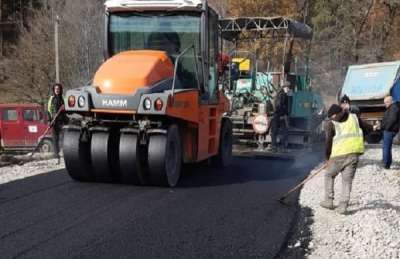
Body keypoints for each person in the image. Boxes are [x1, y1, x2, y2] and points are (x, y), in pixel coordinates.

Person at [320, 104, 372, 214]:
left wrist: (327, 158)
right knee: (347, 181)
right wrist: (373, 128)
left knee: (329, 175)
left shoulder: (331, 123)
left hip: (338, 155)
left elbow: (328, 142)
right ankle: (343, 206)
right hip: (354, 154)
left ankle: (329, 201)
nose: (331, 118)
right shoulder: (354, 118)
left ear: (334, 114)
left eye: (331, 116)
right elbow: (368, 129)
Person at [48, 83, 67, 162]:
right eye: (56, 89)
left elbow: (68, 108)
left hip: (63, 121)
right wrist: (50, 121)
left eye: (58, 89)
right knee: (55, 139)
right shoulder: (51, 98)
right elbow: (49, 110)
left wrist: (64, 108)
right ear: (54, 90)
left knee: (64, 138)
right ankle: (56, 156)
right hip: (54, 121)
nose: (57, 90)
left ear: (60, 89)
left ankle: (65, 154)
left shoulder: (63, 98)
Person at [379, 96, 400, 169]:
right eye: (385, 103)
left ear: (391, 101)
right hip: (389, 130)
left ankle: (386, 163)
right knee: (387, 147)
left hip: (390, 130)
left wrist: (386, 128)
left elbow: (392, 120)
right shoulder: (391, 108)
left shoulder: (393, 108)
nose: (385, 104)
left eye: (386, 102)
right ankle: (387, 162)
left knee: (386, 147)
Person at [269, 81, 290, 152]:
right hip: (279, 115)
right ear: (284, 87)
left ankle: (274, 146)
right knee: (283, 131)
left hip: (277, 115)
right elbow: (279, 106)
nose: (288, 89)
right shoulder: (282, 95)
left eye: (288, 88)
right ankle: (280, 147)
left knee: (275, 132)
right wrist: (283, 114)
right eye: (287, 87)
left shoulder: (281, 94)